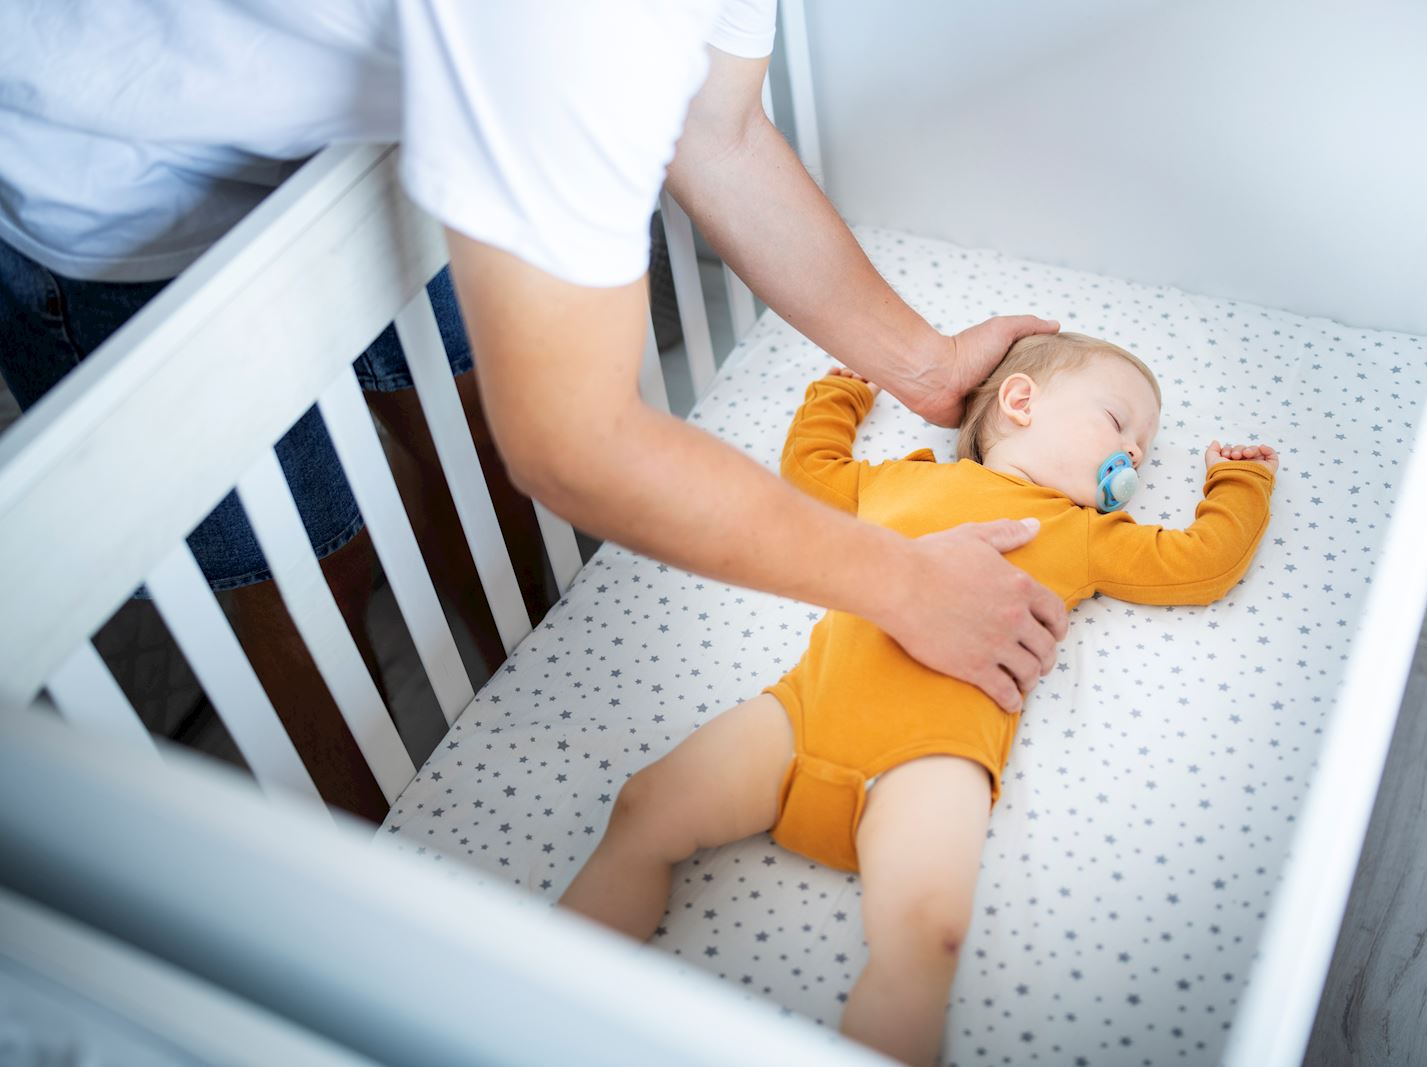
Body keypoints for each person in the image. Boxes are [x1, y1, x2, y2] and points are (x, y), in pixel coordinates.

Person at [0, 1, 1067, 812]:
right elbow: (574, 443)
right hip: (119, 170)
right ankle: (362, 851)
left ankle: (514, 690)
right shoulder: (561, 28)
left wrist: (921, 366)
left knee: (468, 429)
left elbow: (722, 133)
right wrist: (906, 587)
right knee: (302, 559)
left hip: (378, 118)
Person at [559, 332, 1280, 1066]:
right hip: (799, 717)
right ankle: (545, 997)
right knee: (645, 808)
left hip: (932, 758)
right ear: (1022, 402)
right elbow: (811, 475)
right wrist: (841, 393)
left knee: (928, 934)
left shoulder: (1088, 533)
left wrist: (1237, 485)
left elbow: (1198, 564)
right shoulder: (904, 479)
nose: (1134, 455)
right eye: (1118, 422)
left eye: (1146, 449)